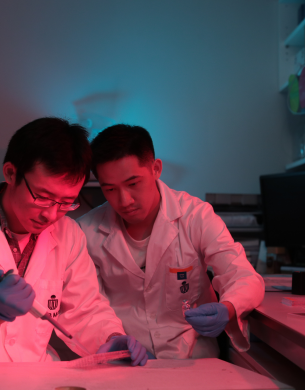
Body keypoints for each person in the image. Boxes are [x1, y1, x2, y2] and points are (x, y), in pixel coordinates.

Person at [0, 117, 148, 367]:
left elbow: (84, 309)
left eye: (66, 202)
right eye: (43, 197)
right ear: (10, 173)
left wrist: (111, 338)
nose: (50, 214)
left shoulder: (68, 233)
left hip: (35, 375)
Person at [77, 124, 265, 359]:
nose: (124, 200)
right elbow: (90, 306)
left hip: (192, 358)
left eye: (133, 183)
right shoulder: (86, 231)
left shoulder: (195, 216)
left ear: (156, 169)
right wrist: (112, 338)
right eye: (110, 189)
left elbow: (243, 276)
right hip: (127, 358)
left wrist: (228, 308)